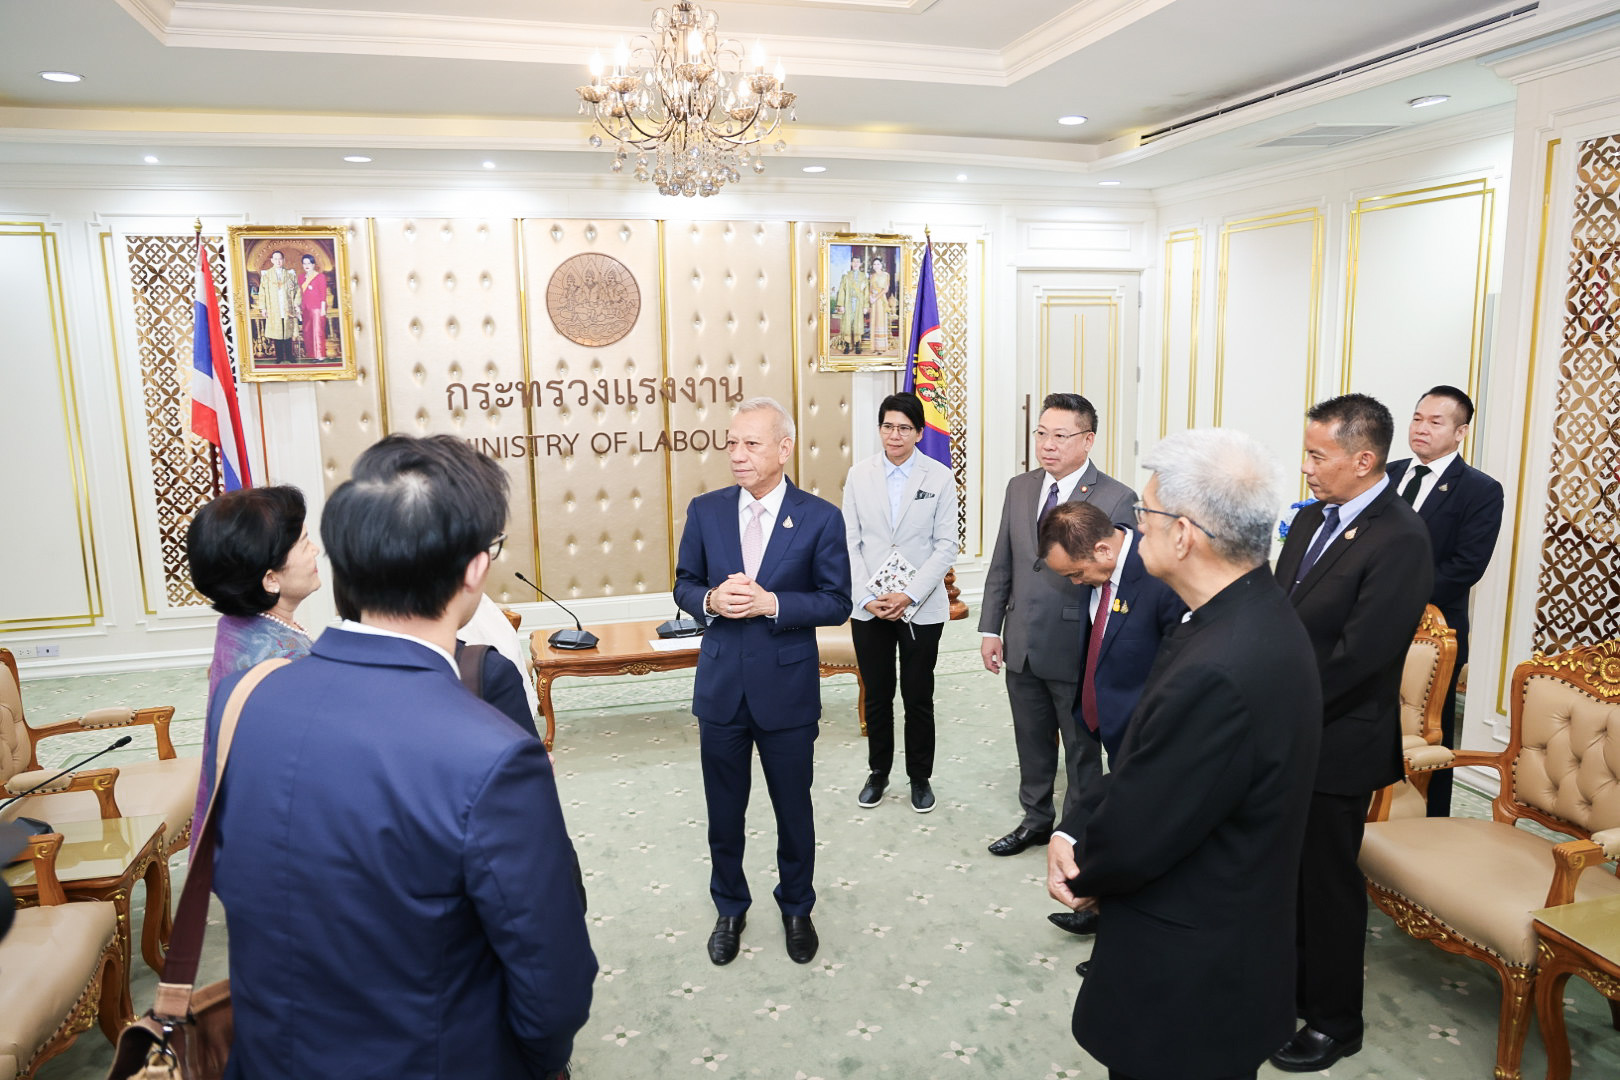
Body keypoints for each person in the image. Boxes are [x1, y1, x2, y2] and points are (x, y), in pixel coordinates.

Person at [205, 434, 594, 1079]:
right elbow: (554, 982)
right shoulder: (493, 756)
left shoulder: (243, 700)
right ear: (474, 568)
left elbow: (235, 875)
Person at [1046, 428, 1322, 1080]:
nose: (1134, 526)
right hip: (1227, 939)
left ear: (1183, 534)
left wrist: (1083, 867)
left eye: (1144, 513)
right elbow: (1149, 757)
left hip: (1191, 975)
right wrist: (1073, 824)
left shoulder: (1221, 666)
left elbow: (1146, 825)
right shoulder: (1244, 613)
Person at [1271, 394, 1432, 1072]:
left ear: (1364, 460)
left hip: (1337, 738)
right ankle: (1290, 992)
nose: (1306, 467)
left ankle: (1336, 1022)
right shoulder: (1312, 519)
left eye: (1318, 455)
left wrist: (1281, 709)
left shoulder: (1401, 538)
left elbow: (1362, 660)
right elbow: (1282, 610)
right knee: (1286, 875)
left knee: (1327, 884)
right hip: (1286, 727)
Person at [672, 397, 852, 967]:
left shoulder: (820, 517)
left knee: (793, 810)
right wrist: (709, 599)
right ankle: (730, 907)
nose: (737, 454)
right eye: (731, 442)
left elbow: (837, 601)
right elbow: (682, 583)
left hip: (787, 691)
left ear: (784, 448)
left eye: (751, 443)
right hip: (721, 687)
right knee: (723, 812)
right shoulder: (706, 511)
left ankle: (797, 907)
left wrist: (773, 603)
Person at [979, 392, 1136, 858]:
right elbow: (1003, 561)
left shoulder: (1116, 497)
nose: (1047, 445)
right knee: (1030, 739)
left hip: (1076, 646)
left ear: (1088, 440)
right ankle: (1035, 819)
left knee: (1081, 748)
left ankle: (1077, 831)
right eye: (1042, 433)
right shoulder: (1020, 487)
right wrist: (990, 628)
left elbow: (1116, 579)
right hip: (1021, 639)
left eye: (1060, 436)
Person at [1036, 499, 1185, 942]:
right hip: (1107, 718)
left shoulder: (1160, 577)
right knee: (1117, 819)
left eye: (1075, 574)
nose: (1074, 583)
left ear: (1103, 550)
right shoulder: (1100, 568)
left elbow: (1174, 670)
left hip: (1148, 733)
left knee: (1143, 832)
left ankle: (1123, 930)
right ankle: (1102, 908)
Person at [1385, 384, 1503, 817]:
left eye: (1435, 422)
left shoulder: (1480, 490)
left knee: (1431, 731)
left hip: (1435, 631)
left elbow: (1466, 566)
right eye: (1417, 418)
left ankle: (1430, 818)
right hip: (1372, 624)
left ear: (1460, 432)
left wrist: (1394, 595)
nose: (1421, 428)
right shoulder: (1387, 474)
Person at [842, 392, 959, 814]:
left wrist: (909, 593)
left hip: (920, 607)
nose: (895, 435)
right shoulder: (859, 475)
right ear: (880, 429)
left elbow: (947, 545)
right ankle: (878, 772)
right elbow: (849, 542)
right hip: (869, 606)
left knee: (918, 695)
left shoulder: (939, 477)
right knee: (877, 694)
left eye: (904, 428)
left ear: (919, 433)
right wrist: (866, 596)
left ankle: (920, 777)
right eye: (888, 426)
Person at [185, 484, 320, 840]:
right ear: (270, 579)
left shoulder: (237, 627)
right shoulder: (281, 660)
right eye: (304, 543)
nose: (316, 550)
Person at [257, 249, 299, 364]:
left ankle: (290, 356)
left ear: (283, 260)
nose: (278, 261)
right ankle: (279, 356)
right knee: (277, 333)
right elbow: (262, 292)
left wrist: (296, 304)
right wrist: (263, 308)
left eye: (280, 259)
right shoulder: (266, 275)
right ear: (272, 260)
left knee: (288, 332)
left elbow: (297, 290)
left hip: (287, 308)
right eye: (275, 259)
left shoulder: (290, 274)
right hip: (274, 308)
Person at [833, 254, 868, 354]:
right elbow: (842, 290)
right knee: (847, 324)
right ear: (851, 263)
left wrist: (865, 306)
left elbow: (866, 292)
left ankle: (857, 345)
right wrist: (841, 305)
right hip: (848, 303)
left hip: (859, 303)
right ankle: (847, 345)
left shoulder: (863, 276)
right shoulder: (846, 276)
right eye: (854, 261)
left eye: (858, 262)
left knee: (858, 324)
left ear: (860, 264)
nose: (856, 263)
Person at [298, 253, 329, 361]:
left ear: (313, 264)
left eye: (309, 263)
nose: (307, 265)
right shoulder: (301, 278)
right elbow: (301, 294)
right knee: (307, 332)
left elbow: (323, 293)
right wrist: (299, 308)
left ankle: (320, 355)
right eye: (304, 263)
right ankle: (312, 354)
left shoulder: (320, 277)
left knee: (317, 332)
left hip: (317, 309)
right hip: (305, 308)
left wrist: (323, 309)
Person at [867, 255, 893, 353]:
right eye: (874, 264)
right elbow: (870, 288)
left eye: (878, 264)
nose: (876, 266)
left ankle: (881, 347)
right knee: (874, 321)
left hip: (881, 300)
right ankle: (874, 347)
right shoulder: (871, 276)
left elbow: (886, 289)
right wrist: (870, 297)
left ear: (881, 265)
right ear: (872, 266)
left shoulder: (886, 275)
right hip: (873, 301)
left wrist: (875, 297)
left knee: (881, 321)